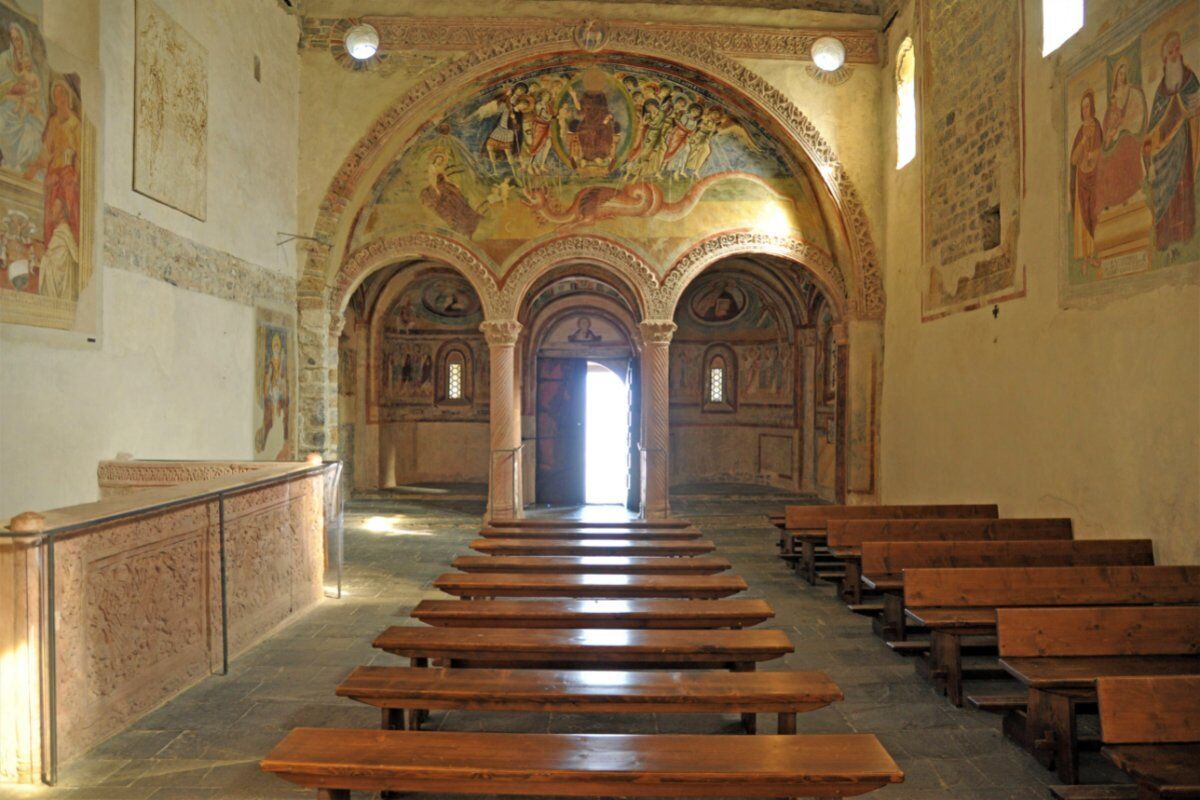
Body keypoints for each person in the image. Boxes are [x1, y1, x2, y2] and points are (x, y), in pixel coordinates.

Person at [1143, 32, 1199, 251]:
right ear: (1165, 58)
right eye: (1170, 51)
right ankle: (1165, 239)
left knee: (1183, 188)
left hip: (1183, 144)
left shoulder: (1189, 79)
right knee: (1165, 192)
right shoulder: (1161, 90)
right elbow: (1153, 124)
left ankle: (1185, 234)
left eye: (1177, 49)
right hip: (1163, 151)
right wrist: (1148, 144)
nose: (1175, 54)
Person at [0, 22, 45, 173]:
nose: (16, 43)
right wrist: (15, 88)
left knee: (31, 129)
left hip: (27, 102)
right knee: (4, 116)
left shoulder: (29, 62)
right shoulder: (4, 59)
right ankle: (8, 160)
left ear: (23, 40)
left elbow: (36, 90)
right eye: (13, 39)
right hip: (6, 101)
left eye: (18, 39)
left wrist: (28, 92)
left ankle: (21, 163)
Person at [1070, 90, 1104, 264]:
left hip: (1095, 176)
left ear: (1092, 107)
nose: (1085, 110)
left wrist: (1093, 156)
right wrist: (1083, 142)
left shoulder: (1097, 126)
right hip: (1081, 179)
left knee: (1094, 211)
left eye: (1087, 106)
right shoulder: (1079, 133)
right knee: (1082, 215)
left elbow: (1100, 150)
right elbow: (1074, 159)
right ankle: (1085, 255)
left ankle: (1096, 251)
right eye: (1082, 107)